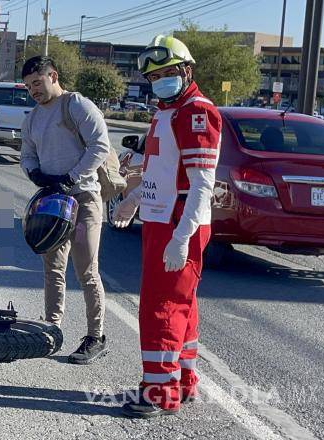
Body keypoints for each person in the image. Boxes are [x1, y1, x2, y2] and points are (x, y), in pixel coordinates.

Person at [114, 35, 221, 418]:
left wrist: (181, 237)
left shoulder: (196, 112)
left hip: (178, 222)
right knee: (182, 305)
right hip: (162, 217)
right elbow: (160, 171)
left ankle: (159, 392)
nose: (160, 80)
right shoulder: (167, 110)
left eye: (167, 72)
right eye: (154, 75)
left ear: (186, 70)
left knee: (161, 307)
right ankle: (182, 380)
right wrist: (134, 197)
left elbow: (202, 185)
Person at [20, 56, 110, 365]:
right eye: (29, 85)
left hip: (83, 199)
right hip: (52, 204)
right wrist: (36, 175)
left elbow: (100, 146)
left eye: (38, 82)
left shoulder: (76, 105)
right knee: (52, 269)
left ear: (53, 76)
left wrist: (70, 177)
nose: (34, 90)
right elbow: (27, 155)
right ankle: (52, 329)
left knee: (86, 270)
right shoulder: (32, 118)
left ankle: (95, 336)